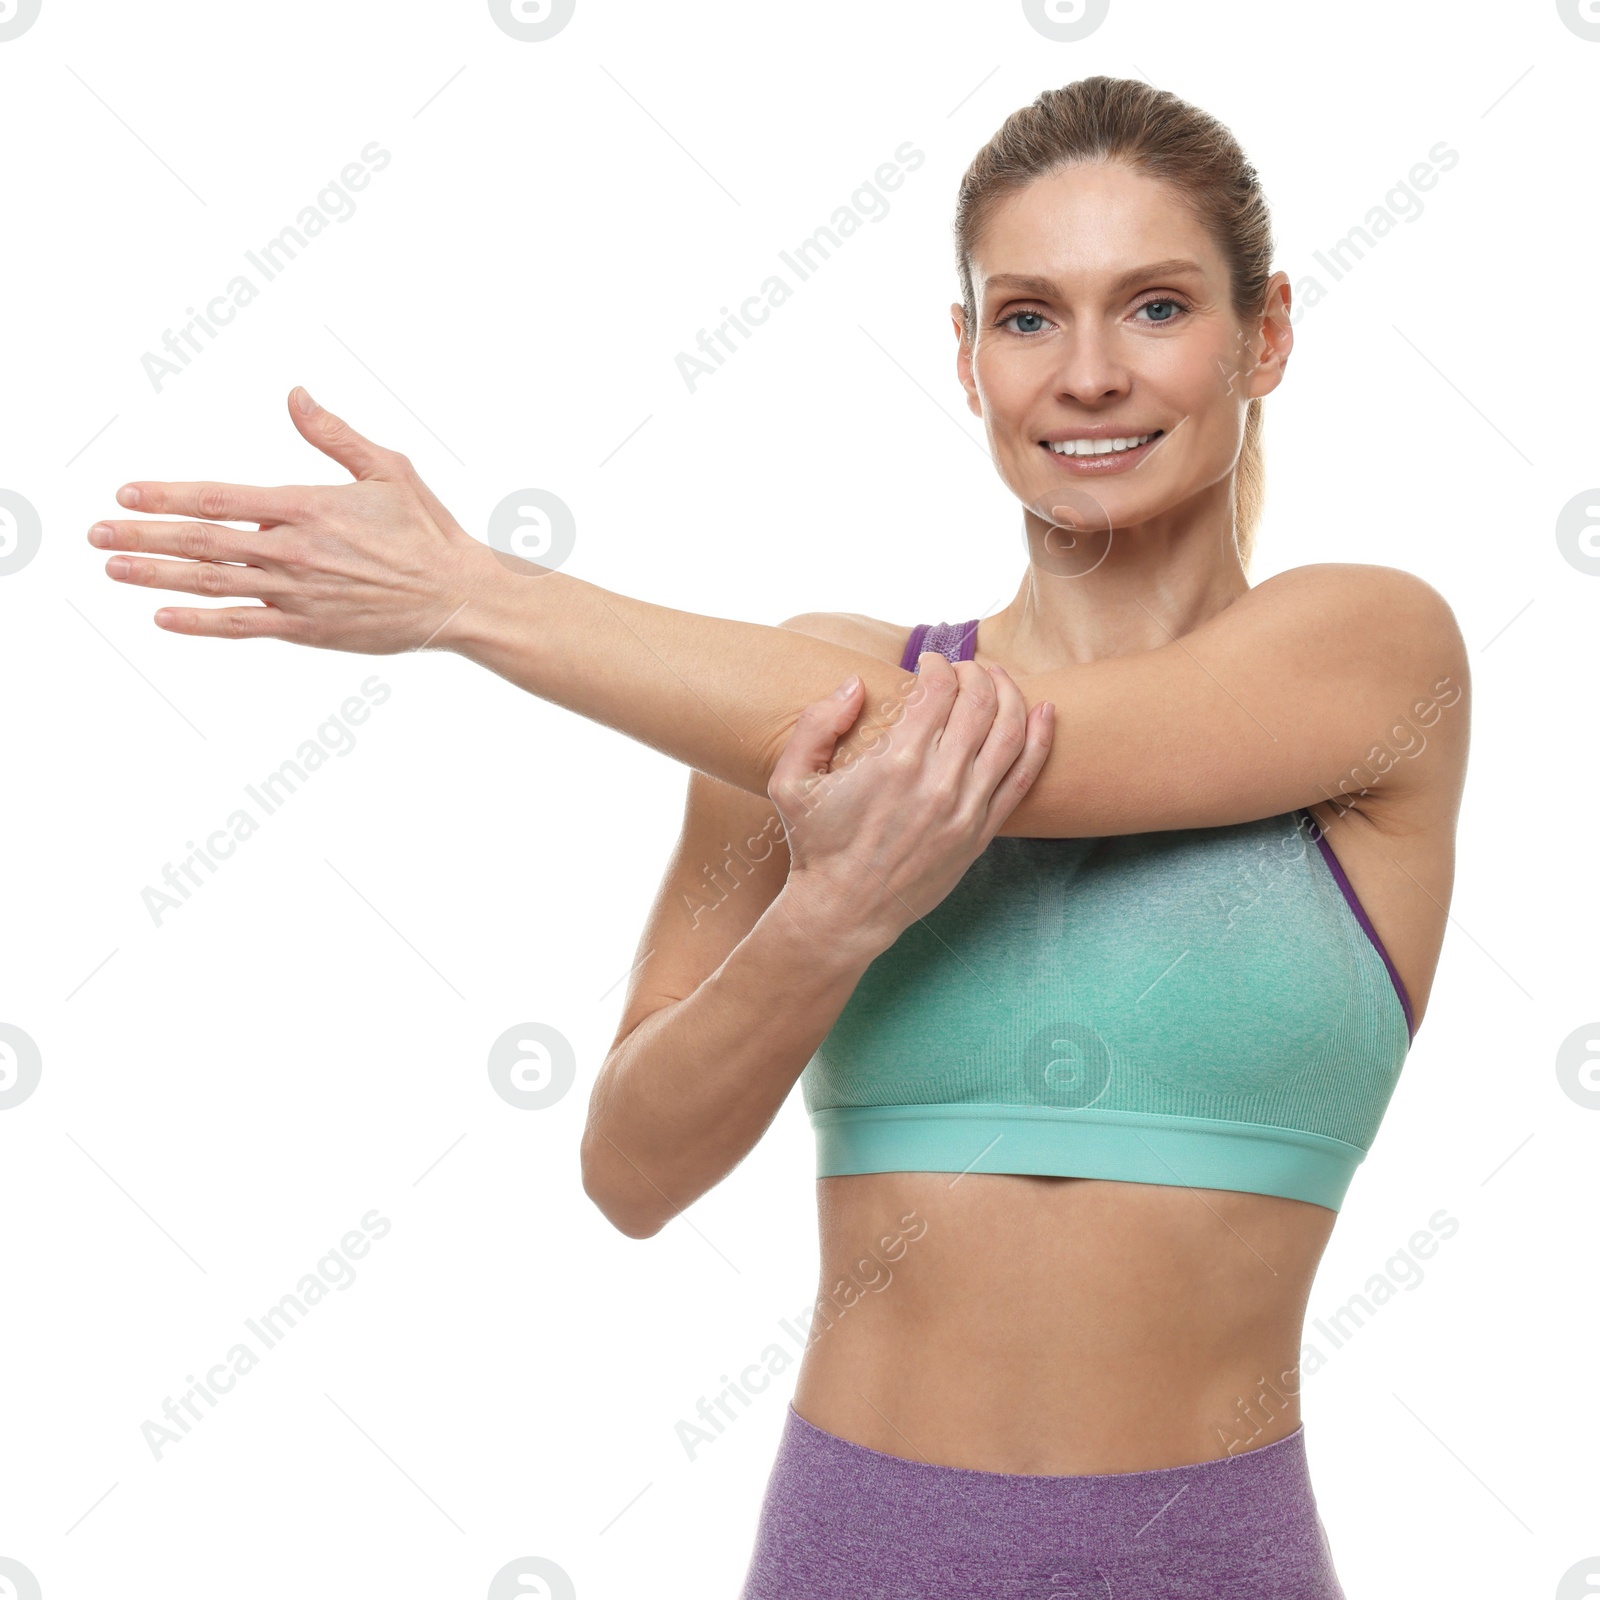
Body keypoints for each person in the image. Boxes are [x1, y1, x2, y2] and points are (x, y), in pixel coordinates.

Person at [87, 75, 1469, 1598]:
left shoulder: (1369, 655)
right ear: (966, 356)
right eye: (1026, 317)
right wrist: (833, 917)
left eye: (1153, 308)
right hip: (854, 1554)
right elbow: (632, 1173)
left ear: (1264, 333)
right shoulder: (797, 707)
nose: (1087, 374)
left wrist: (472, 596)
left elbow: (1000, 751)